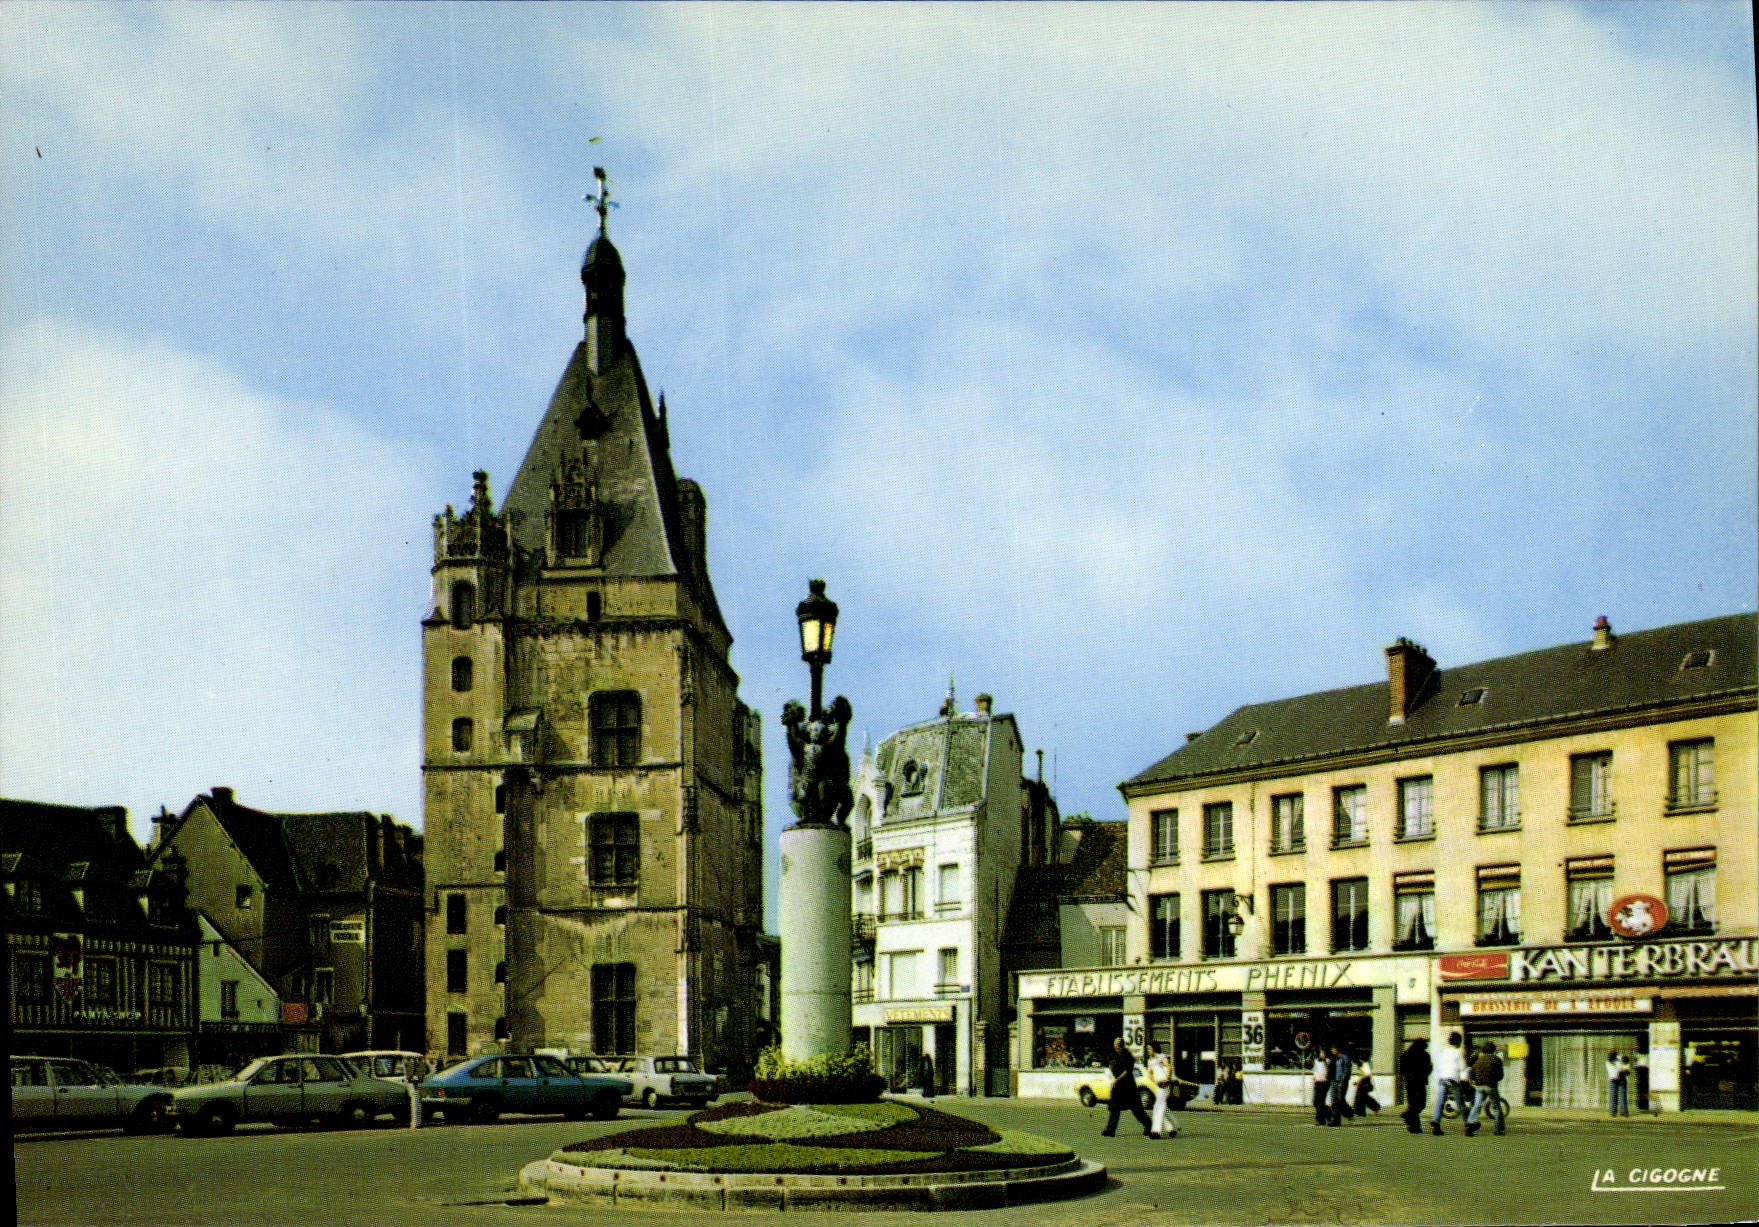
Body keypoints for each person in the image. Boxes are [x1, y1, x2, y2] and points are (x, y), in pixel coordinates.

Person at [1099, 1036, 1154, 1137]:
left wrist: (1117, 1079)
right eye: (1116, 1044)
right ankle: (1110, 1130)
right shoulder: (1112, 1055)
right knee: (1114, 1109)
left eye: (1119, 1044)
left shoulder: (1127, 1056)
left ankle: (1149, 1126)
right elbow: (1108, 1067)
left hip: (1128, 1086)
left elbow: (1127, 1071)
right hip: (1116, 1086)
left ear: (1122, 1045)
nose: (1117, 1046)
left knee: (1137, 1109)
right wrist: (1110, 1079)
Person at [1430, 1031, 1469, 1135]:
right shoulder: (1457, 1052)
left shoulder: (1444, 1052)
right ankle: (1467, 1124)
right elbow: (1463, 1067)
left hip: (1442, 1078)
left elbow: (1438, 1066)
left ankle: (1436, 1121)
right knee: (1460, 1102)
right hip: (1453, 1079)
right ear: (1459, 1042)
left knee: (1440, 1101)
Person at [1464, 1042, 1505, 1136]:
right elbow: (1500, 1075)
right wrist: (1495, 1079)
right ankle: (1498, 1129)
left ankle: (1470, 1123)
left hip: (1479, 1086)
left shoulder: (1479, 1060)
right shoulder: (1496, 1059)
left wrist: (1473, 1081)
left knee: (1477, 1105)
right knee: (1496, 1107)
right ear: (1493, 1050)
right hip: (1491, 1086)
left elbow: (1471, 1071)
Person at [1145, 1041, 1178, 1138]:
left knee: (1158, 1107)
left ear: (1154, 1048)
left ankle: (1156, 1131)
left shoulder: (1161, 1057)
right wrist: (1154, 1080)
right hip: (1158, 1085)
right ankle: (1172, 1128)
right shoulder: (1150, 1061)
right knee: (1163, 1107)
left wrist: (1167, 1079)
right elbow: (1150, 1073)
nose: (1148, 1051)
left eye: (1149, 1049)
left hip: (1165, 1084)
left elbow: (1169, 1067)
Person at [1399, 1038, 1432, 1134]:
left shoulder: (1405, 1054)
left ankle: (1414, 1125)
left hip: (1409, 1083)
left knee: (1413, 1104)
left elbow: (1402, 1070)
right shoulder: (1425, 1055)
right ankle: (1412, 1121)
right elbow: (1427, 1069)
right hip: (1420, 1082)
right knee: (1421, 1104)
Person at [1327, 1045, 1352, 1126]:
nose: (1332, 1051)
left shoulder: (1345, 1058)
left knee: (1339, 1101)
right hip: (1333, 1081)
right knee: (1334, 1101)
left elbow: (1346, 1071)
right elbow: (1330, 1069)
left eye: (1333, 1049)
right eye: (1332, 1049)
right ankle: (1336, 1120)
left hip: (1341, 1082)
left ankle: (1348, 1113)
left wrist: (1342, 1082)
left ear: (1338, 1050)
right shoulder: (1333, 1058)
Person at [1312, 1049, 1332, 1125]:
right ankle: (1328, 1114)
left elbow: (1328, 1070)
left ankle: (1319, 1119)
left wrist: (1324, 1061)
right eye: (1321, 1053)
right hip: (1317, 1082)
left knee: (1321, 1101)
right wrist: (1314, 1076)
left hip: (1324, 1083)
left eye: (1323, 1053)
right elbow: (1315, 1070)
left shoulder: (1328, 1061)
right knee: (1316, 1101)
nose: (1322, 1055)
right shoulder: (1316, 1061)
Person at [1606, 1050, 1629, 1117]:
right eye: (1610, 1054)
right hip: (1613, 1079)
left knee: (1622, 1096)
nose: (1611, 1056)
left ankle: (1623, 1111)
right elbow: (1612, 1071)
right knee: (1613, 1096)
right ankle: (1613, 1112)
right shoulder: (1608, 1062)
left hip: (1621, 1079)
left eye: (1613, 1054)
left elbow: (1626, 1063)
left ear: (1615, 1054)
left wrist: (1624, 1061)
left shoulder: (1620, 1058)